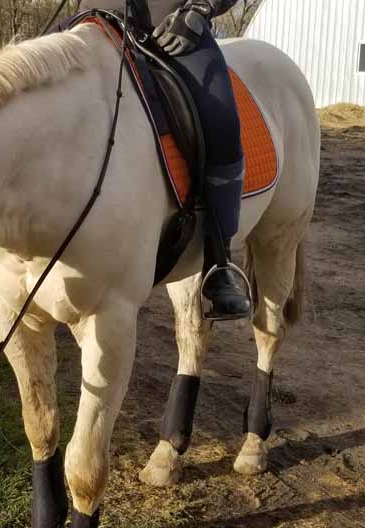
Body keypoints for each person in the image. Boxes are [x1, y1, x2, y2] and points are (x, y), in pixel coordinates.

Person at [81, 0, 251, 318]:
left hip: (171, 29)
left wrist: (200, 9)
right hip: (94, 18)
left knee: (221, 121)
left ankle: (218, 260)